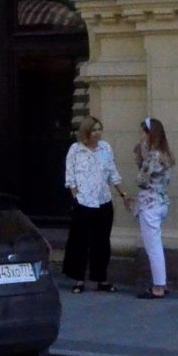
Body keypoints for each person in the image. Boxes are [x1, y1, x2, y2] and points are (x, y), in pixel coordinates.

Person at [60, 116, 123, 292]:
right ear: (86, 132)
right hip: (84, 201)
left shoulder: (105, 148)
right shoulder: (76, 150)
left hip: (103, 200)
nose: (97, 133)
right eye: (94, 130)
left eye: (99, 129)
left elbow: (112, 172)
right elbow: (70, 176)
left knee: (102, 242)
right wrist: (75, 196)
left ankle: (100, 279)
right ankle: (78, 279)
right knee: (80, 241)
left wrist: (123, 193)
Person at [132, 116, 176, 299]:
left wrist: (140, 157)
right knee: (155, 245)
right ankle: (160, 283)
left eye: (143, 132)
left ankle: (159, 286)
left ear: (150, 134)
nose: (141, 135)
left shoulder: (154, 155)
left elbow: (141, 180)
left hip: (150, 204)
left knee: (153, 247)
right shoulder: (164, 153)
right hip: (160, 202)